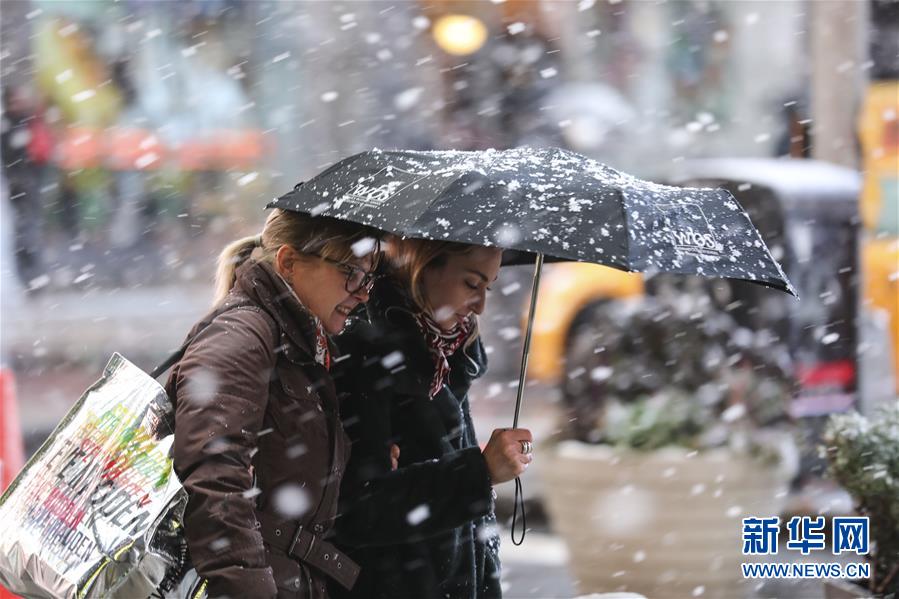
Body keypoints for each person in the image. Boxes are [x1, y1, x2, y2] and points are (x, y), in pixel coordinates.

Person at [164, 208, 381, 598]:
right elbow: (214, 481)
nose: (363, 292)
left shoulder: (299, 345)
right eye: (350, 272)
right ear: (289, 262)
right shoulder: (244, 337)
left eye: (368, 276)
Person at [331, 237, 533, 599]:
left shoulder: (446, 353)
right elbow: (359, 511)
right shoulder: (367, 351)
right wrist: (480, 473)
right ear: (423, 267)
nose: (482, 305)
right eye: (471, 283)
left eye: (489, 286)